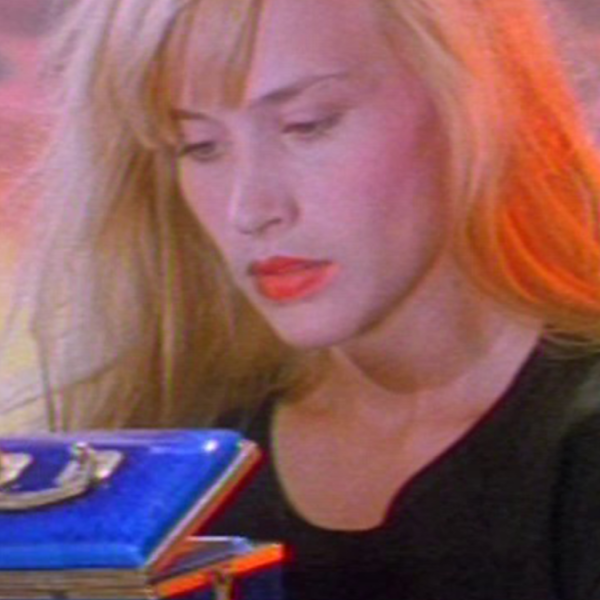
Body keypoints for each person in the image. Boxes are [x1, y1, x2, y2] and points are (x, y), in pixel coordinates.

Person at [6, 0, 600, 597]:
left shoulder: (576, 449)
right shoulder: (169, 462)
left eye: (307, 124)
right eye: (200, 145)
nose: (249, 209)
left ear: (474, 102)